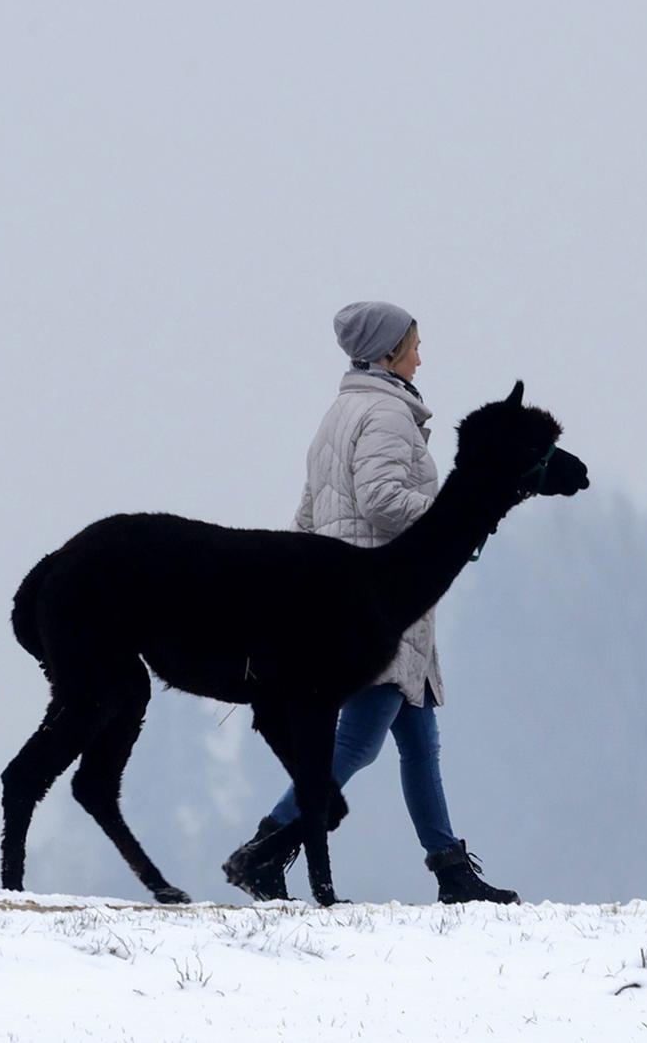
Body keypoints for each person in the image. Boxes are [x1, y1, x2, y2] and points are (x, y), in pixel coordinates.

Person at [220, 300, 518, 905]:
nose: (419, 356)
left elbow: (306, 516)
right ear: (387, 354)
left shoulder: (341, 412)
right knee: (357, 742)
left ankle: (451, 871)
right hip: (380, 602)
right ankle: (265, 847)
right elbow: (384, 498)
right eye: (412, 345)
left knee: (419, 739)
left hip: (357, 601)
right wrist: (455, 520)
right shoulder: (386, 415)